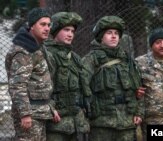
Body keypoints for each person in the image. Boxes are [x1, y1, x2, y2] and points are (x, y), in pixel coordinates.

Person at [81, 15, 144, 141]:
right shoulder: (91, 59)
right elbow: (81, 88)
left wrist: (139, 112)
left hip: (126, 122)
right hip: (101, 124)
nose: (114, 36)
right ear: (101, 37)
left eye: (116, 33)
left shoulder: (128, 60)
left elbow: (139, 90)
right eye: (109, 33)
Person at [5, 7, 59, 141]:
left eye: (48, 25)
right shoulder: (23, 51)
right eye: (42, 24)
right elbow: (17, 86)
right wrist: (25, 115)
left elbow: (40, 83)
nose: (47, 28)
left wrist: (50, 109)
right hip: (31, 115)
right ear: (31, 26)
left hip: (39, 112)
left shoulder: (37, 48)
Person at [44, 12, 90, 141]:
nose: (70, 34)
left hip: (75, 122)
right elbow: (40, 88)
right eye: (66, 30)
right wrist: (50, 108)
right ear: (55, 30)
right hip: (56, 121)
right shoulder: (47, 55)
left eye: (72, 31)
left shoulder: (74, 57)